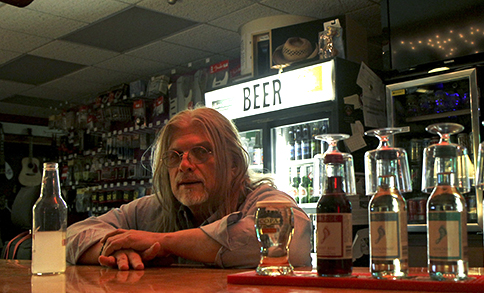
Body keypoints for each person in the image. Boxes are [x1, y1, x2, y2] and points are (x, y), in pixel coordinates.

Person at [66, 107, 312, 270]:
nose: (184, 165)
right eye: (174, 156)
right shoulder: (154, 208)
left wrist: (162, 242)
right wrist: (116, 251)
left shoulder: (261, 198)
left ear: (234, 165)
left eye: (200, 152)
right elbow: (71, 237)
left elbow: (292, 241)